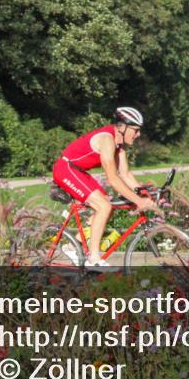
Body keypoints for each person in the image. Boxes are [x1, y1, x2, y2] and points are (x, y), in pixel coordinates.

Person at [52, 106, 158, 267]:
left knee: (109, 205)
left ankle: (75, 246)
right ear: (122, 127)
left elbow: (125, 174)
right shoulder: (107, 140)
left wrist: (142, 192)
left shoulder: (119, 145)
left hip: (78, 171)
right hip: (66, 169)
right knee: (103, 206)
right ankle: (94, 259)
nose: (138, 134)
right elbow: (113, 179)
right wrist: (139, 201)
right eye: (135, 130)